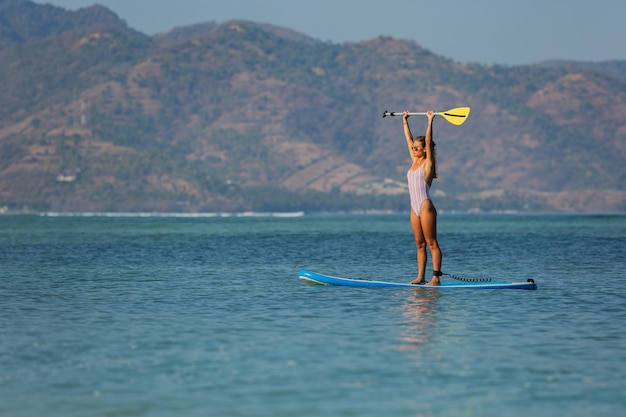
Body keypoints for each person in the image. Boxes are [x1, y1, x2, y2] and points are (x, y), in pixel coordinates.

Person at [403, 110, 443, 286]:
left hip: (425, 206)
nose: (413, 148)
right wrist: (405, 121)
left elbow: (427, 141)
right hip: (414, 208)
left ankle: (436, 278)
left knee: (431, 243)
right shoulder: (414, 161)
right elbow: (408, 140)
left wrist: (430, 121)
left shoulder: (428, 164)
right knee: (419, 244)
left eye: (416, 147)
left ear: (424, 149)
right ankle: (420, 277)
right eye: (413, 148)